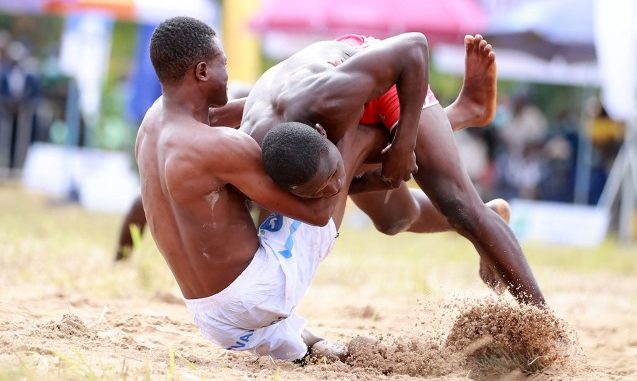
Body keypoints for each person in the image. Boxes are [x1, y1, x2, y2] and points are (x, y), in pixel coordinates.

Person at [138, 16, 394, 361]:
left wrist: (308, 90)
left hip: (210, 318)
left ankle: (307, 345)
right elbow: (317, 215)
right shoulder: (222, 147)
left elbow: (248, 107)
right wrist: (338, 134)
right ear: (202, 72)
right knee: (351, 138)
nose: (228, 73)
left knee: (283, 326)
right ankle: (455, 118)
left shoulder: (153, 124)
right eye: (222, 64)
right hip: (257, 297)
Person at [114, 34, 501, 261]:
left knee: (367, 154)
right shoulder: (196, 140)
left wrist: (399, 147)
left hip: (364, 92)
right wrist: (123, 253)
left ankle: (463, 113)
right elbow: (148, 196)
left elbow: (319, 211)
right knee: (394, 218)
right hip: (330, 123)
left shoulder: (241, 116)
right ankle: (483, 192)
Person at [240, 33, 546, 306]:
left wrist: (404, 143)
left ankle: (546, 326)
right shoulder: (253, 158)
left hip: (383, 77)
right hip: (331, 119)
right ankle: (466, 147)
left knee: (459, 206)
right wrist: (366, 180)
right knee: (394, 219)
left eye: (338, 177)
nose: (338, 188)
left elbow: (413, 47)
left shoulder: (329, 96)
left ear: (323, 134)